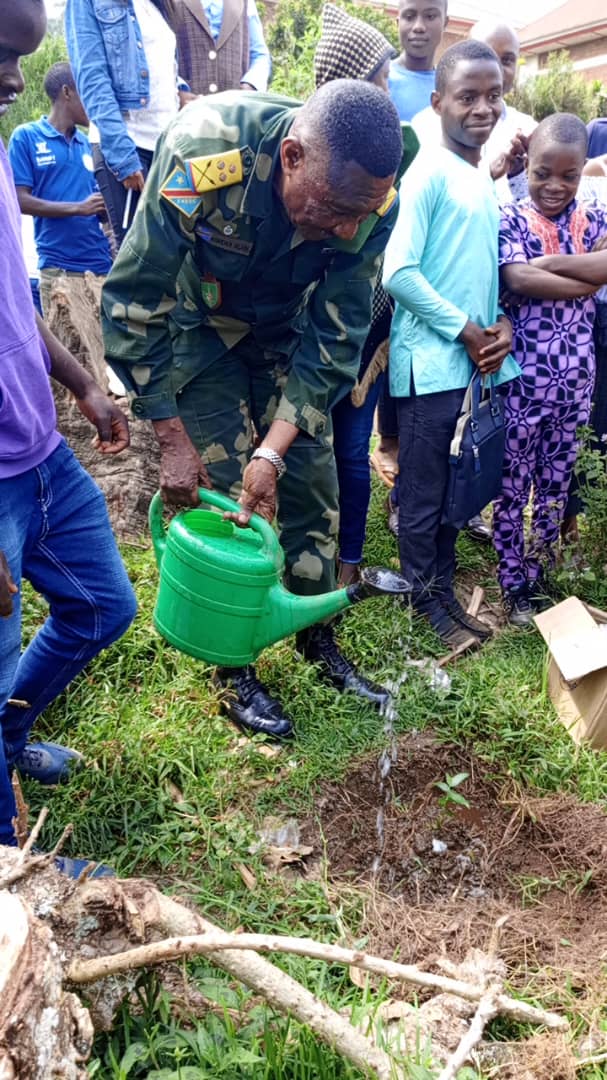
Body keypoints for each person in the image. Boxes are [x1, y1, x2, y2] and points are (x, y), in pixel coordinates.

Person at [102, 79, 404, 739]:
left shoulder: (369, 200)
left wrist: (276, 448)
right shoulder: (205, 154)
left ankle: (311, 633)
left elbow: (336, 333)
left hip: (281, 335)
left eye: (361, 213)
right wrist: (172, 437)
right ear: (291, 157)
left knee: (310, 483)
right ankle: (231, 664)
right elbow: (134, 298)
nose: (348, 228)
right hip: (194, 330)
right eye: (334, 210)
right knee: (233, 496)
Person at [0, 0, 138, 867]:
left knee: (102, 607)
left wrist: (82, 381)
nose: (14, 78)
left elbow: (14, 300)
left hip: (39, 449)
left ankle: (10, 741)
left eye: (20, 58)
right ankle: (11, 872)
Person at [383, 40, 519, 649]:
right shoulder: (428, 174)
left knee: (453, 491)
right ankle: (422, 604)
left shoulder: (477, 178)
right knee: (421, 492)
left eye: (493, 96)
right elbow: (399, 273)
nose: (482, 108)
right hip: (430, 367)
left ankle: (440, 591)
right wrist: (465, 328)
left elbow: (481, 273)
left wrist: (499, 327)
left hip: (468, 369)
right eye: (467, 96)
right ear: (437, 102)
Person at [495, 113, 607, 625]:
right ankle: (512, 581)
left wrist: (545, 266)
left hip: (577, 384)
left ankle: (540, 573)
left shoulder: (595, 219)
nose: (555, 186)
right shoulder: (511, 217)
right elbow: (517, 280)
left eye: (569, 175)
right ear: (528, 168)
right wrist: (578, 273)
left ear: (583, 171)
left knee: (556, 484)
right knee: (513, 484)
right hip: (522, 383)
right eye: (543, 173)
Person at [313, 3, 403, 585]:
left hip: (365, 345)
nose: (389, 94)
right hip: (310, 347)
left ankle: (348, 564)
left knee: (350, 452)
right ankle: (304, 563)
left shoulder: (386, 167)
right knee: (306, 458)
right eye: (381, 81)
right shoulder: (311, 171)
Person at [375, 0, 449, 528]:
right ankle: (391, 459)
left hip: (437, 243)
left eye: (430, 14)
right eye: (409, 14)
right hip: (381, 235)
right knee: (386, 352)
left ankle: (422, 484)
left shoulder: (456, 84)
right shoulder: (385, 79)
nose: (418, 26)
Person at [65, 0, 185, 250]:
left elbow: (159, 68)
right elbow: (92, 77)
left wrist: (184, 92)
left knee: (176, 254)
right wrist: (123, 157)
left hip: (168, 146)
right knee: (137, 259)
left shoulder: (156, 5)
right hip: (128, 147)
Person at [8, 61, 112, 315]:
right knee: (71, 352)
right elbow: (18, 200)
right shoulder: (27, 137)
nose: (94, 102)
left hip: (102, 268)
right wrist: (78, 208)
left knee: (106, 354)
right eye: (86, 91)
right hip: (60, 270)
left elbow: (97, 206)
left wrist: (104, 211)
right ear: (67, 92)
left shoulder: (89, 144)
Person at [414, 21, 536, 204]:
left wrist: (520, 173)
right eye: (484, 55)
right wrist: (487, 176)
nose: (495, 68)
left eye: (507, 60)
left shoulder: (530, 130)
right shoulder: (423, 126)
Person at [168, 0, 271, 97]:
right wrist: (178, 91)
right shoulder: (166, 3)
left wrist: (250, 86)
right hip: (183, 111)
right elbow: (157, 55)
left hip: (234, 111)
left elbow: (259, 55)